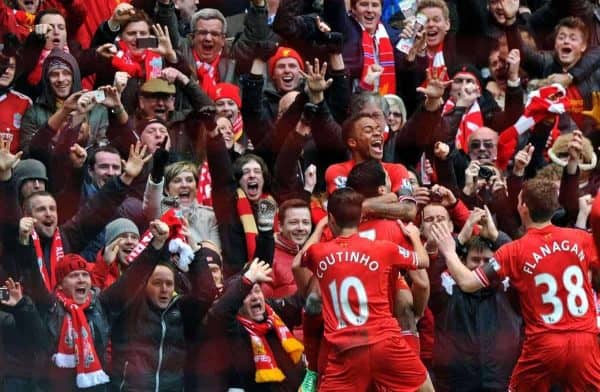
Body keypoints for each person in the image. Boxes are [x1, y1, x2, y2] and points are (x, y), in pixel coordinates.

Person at [430, 178, 600, 391]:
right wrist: (494, 235)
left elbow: (467, 283)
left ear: (523, 207)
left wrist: (448, 251)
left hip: (543, 344)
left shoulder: (514, 251)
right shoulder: (581, 239)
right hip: (585, 340)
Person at [296, 188, 434, 391]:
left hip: (345, 350)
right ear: (361, 217)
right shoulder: (383, 248)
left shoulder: (319, 252)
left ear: (331, 218)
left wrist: (319, 229)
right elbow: (423, 262)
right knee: (426, 389)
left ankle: (312, 373)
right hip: (385, 343)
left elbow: (297, 263)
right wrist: (414, 236)